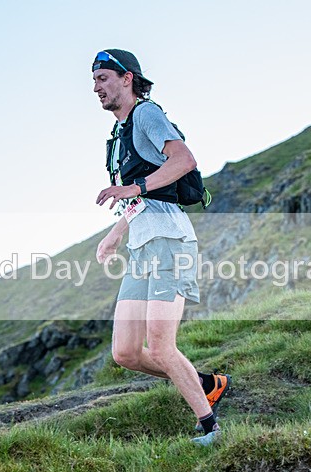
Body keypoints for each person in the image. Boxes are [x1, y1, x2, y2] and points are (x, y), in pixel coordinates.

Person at [91, 49, 230, 445]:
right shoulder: (119, 134)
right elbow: (141, 198)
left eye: (104, 78)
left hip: (170, 240)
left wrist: (134, 187)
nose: (97, 87)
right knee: (127, 353)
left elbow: (183, 160)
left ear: (127, 78)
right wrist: (116, 233)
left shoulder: (147, 114)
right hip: (141, 247)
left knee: (161, 345)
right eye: (94, 81)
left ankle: (210, 429)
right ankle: (206, 383)